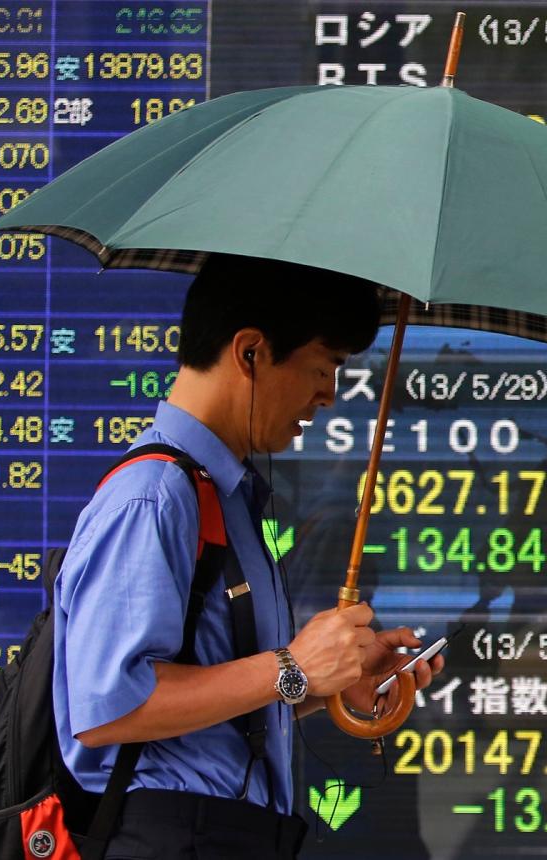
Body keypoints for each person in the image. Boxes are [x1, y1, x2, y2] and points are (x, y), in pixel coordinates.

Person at [52, 255, 443, 859]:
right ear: (251, 352)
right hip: (165, 837)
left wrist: (328, 685)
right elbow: (108, 706)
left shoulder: (225, 496)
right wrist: (292, 666)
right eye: (324, 366)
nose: (329, 395)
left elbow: (215, 710)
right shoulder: (154, 496)